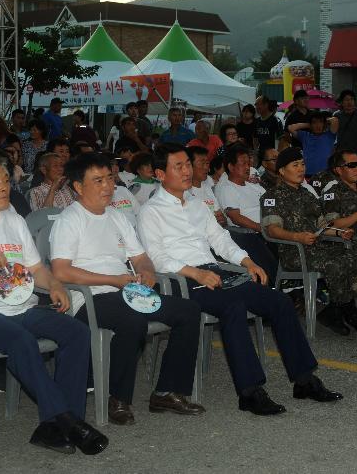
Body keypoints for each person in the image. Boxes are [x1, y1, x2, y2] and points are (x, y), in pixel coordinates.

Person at [140, 143, 341, 415]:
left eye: (188, 164)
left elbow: (221, 239)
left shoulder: (197, 204)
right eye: (179, 166)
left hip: (214, 271)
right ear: (160, 174)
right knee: (232, 306)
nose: (187, 171)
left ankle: (304, 379)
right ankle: (249, 391)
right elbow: (157, 258)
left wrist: (247, 261)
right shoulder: (151, 211)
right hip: (181, 279)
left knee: (278, 301)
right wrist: (196, 272)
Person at [0, 151, 108, 455]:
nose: (4, 187)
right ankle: (68, 421)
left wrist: (54, 285)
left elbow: (36, 268)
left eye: (5, 180)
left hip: (20, 307)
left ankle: (54, 427)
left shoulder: (13, 219)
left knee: (77, 332)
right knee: (21, 339)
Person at [49, 153, 204, 424]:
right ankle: (118, 398)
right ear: (78, 187)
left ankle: (167, 391)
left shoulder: (117, 217)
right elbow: (61, 271)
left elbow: (140, 257)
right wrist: (112, 280)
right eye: (97, 181)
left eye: (109, 178)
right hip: (88, 297)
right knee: (132, 320)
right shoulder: (69, 219)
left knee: (188, 310)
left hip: (125, 291)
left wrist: (146, 271)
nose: (107, 186)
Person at [261, 147, 357, 335]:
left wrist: (338, 233)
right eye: (295, 165)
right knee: (337, 264)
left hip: (320, 248)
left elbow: (322, 226)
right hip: (295, 252)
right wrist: (297, 237)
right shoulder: (271, 196)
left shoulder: (308, 194)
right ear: (281, 170)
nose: (301, 169)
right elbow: (271, 230)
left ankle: (335, 309)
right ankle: (348, 310)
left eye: (303, 164)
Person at [317, 149, 357, 334]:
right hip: (342, 244)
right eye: (351, 165)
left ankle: (336, 308)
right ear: (338, 170)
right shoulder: (333, 193)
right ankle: (349, 310)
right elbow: (333, 223)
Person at [213, 145, 278, 285]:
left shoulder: (254, 186)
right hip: (252, 234)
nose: (248, 167)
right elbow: (235, 217)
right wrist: (261, 228)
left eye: (249, 163)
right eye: (243, 164)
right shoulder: (227, 188)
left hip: (272, 228)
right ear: (231, 167)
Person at [289, 111, 338, 177]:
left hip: (325, 175)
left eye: (320, 122)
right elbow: (290, 128)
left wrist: (324, 121)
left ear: (324, 124)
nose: (318, 125)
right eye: (314, 122)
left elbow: (335, 120)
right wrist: (309, 124)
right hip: (307, 174)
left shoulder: (329, 135)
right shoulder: (305, 136)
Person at [187, 147, 227, 226]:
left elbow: (220, 215)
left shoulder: (207, 186)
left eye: (207, 163)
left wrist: (222, 219)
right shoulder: (184, 193)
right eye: (202, 163)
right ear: (189, 166)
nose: (206, 168)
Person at [102, 154, 141, 228]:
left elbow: (138, 212)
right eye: (111, 164)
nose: (116, 167)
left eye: (116, 164)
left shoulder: (123, 189)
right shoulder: (98, 194)